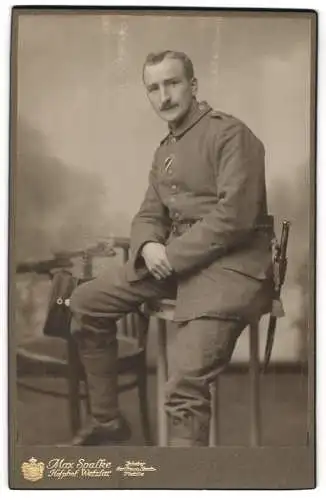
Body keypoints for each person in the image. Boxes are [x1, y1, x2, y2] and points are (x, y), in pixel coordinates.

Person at [69, 50, 274, 447]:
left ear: (193, 86)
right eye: (153, 87)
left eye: (173, 83)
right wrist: (147, 245)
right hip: (174, 265)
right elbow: (149, 213)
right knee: (86, 303)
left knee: (183, 387)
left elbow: (235, 217)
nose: (164, 96)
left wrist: (172, 256)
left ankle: (183, 485)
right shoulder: (164, 150)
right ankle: (107, 419)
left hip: (230, 270)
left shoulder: (230, 134)